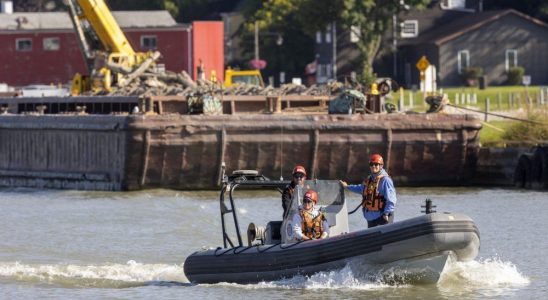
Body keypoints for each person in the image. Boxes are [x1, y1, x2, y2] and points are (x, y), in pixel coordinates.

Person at [340, 154, 397, 228]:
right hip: (371, 220)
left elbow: (391, 200)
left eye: (376, 164)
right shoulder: (369, 179)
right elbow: (361, 188)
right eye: (371, 164)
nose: (373, 166)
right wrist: (347, 186)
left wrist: (386, 214)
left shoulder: (386, 181)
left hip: (382, 218)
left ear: (381, 166)